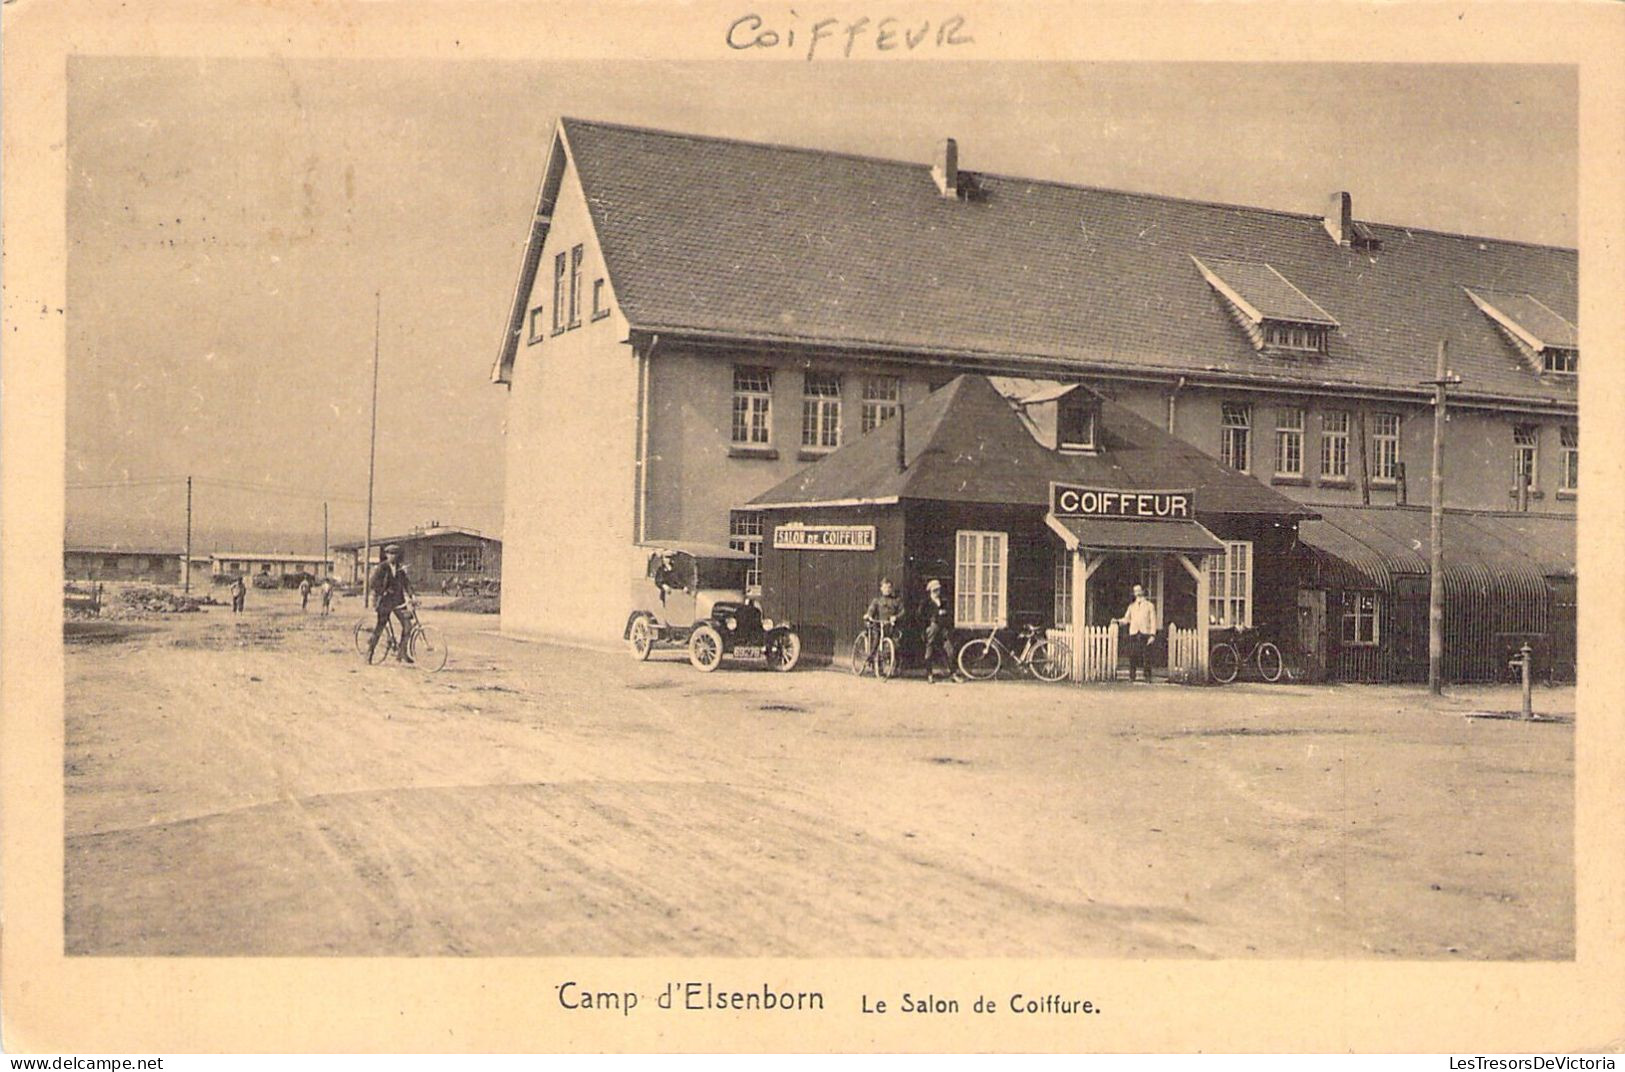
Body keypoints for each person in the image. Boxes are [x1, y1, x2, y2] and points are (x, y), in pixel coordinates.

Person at [366, 544, 415, 664]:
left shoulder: (399, 569)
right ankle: (369, 652)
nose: (393, 556)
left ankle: (402, 652)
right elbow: (372, 584)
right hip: (384, 602)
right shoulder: (382, 567)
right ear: (386, 555)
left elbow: (406, 583)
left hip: (398, 601)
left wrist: (412, 595)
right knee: (380, 626)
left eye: (395, 554)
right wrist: (384, 591)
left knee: (408, 625)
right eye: (390, 553)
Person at [921, 578, 962, 684]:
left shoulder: (944, 601)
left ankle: (953, 674)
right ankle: (929, 675)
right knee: (929, 652)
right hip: (932, 628)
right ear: (930, 591)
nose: (936, 592)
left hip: (943, 629)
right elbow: (920, 616)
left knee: (950, 650)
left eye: (938, 590)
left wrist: (945, 615)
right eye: (934, 590)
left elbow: (949, 614)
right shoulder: (926, 603)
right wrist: (929, 624)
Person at [1116, 583, 1159, 683]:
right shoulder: (1132, 606)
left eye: (1139, 590)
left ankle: (1147, 677)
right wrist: (1118, 621)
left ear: (1143, 591)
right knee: (1132, 655)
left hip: (1145, 632)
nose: (1137, 593)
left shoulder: (1149, 606)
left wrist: (1152, 635)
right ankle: (1132, 676)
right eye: (1135, 591)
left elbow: (1153, 621)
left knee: (1146, 656)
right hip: (1134, 632)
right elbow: (1127, 619)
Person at [861, 577, 904, 672]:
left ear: (891, 589)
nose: (887, 590)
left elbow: (902, 611)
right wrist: (869, 615)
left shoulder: (896, 601)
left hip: (891, 626)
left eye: (889, 587)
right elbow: (872, 609)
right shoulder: (877, 600)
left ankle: (894, 667)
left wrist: (896, 617)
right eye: (885, 587)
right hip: (879, 626)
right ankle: (870, 658)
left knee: (896, 644)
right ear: (881, 589)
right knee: (876, 639)